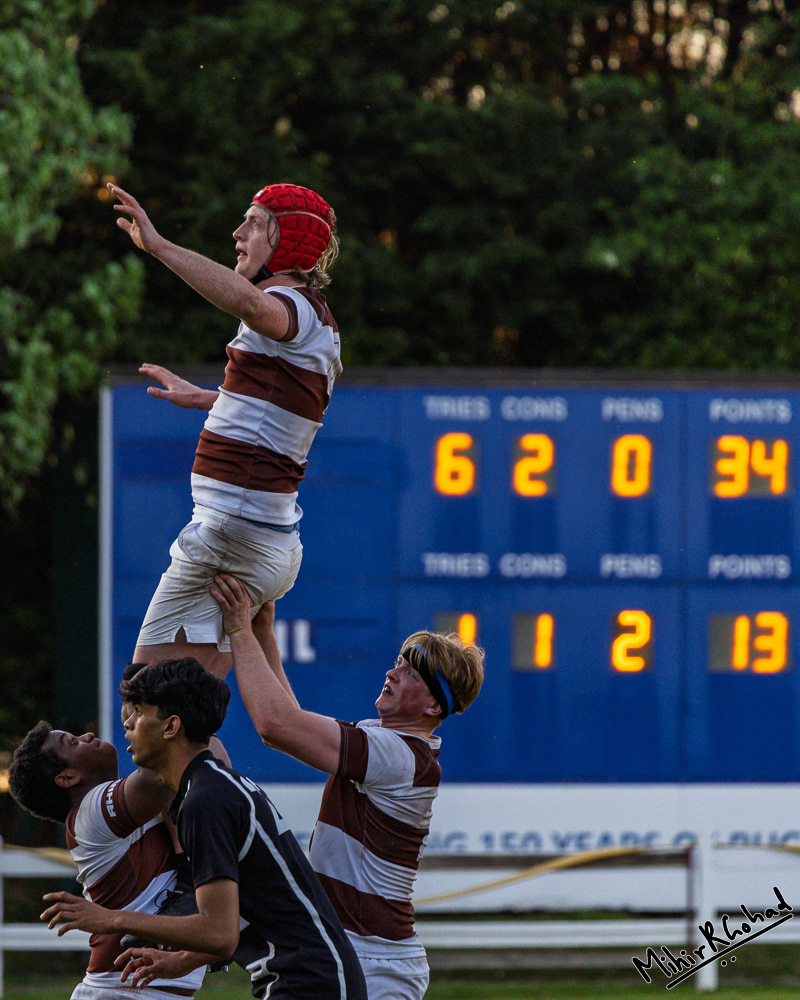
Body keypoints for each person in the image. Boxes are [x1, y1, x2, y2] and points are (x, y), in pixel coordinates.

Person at [210, 575, 486, 1000]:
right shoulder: (392, 743)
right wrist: (263, 631)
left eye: (410, 672)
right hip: (358, 949)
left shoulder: (397, 754)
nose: (392, 672)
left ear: (433, 706)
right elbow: (290, 718)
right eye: (399, 662)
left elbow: (276, 725)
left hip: (373, 958)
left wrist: (238, 630)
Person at [108, 180, 342, 678]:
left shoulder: (291, 305)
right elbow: (286, 408)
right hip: (258, 536)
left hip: (232, 534)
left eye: (255, 223)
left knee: (146, 702)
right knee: (182, 717)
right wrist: (214, 400)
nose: (238, 233)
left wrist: (161, 246)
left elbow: (251, 306)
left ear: (290, 241)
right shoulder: (314, 317)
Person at [41, 658, 368, 1000]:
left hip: (311, 984)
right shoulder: (211, 787)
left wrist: (111, 920)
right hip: (315, 978)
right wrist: (179, 961)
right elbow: (239, 922)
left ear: (170, 728)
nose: (128, 723)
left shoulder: (204, 801)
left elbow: (219, 934)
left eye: (138, 711)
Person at [8, 717, 217, 1000]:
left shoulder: (137, 803)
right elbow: (172, 770)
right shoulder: (90, 813)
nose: (88, 735)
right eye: (73, 742)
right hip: (122, 991)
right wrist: (167, 708)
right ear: (68, 778)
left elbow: (206, 764)